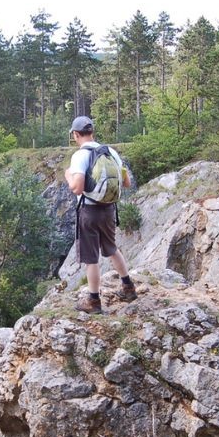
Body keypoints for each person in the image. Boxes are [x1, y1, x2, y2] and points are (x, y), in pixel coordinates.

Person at [64, 115, 137, 313]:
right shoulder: (111, 152)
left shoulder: (80, 155)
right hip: (109, 209)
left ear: (76, 134)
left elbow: (77, 188)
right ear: (92, 132)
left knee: (91, 258)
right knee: (112, 248)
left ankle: (94, 301)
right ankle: (128, 287)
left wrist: (68, 175)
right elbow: (127, 183)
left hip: (89, 211)